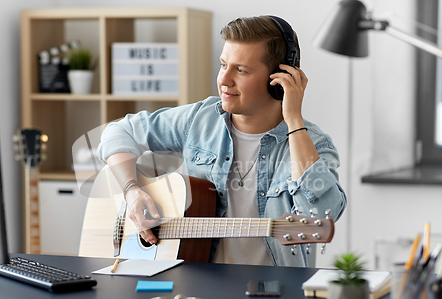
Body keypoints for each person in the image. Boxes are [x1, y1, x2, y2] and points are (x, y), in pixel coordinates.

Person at [97, 15, 347, 267]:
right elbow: (118, 132)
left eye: (240, 70)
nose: (224, 80)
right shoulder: (199, 119)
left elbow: (323, 214)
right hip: (194, 287)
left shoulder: (312, 143)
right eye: (223, 65)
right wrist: (131, 191)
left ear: (278, 80)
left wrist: (293, 119)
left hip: (273, 294)